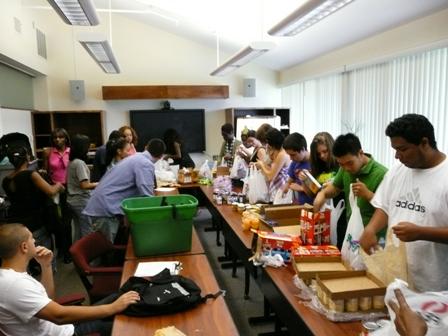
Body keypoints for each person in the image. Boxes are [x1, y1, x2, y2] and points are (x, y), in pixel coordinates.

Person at [0, 223, 140, 336]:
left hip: (62, 325)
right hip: (67, 331)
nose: (35, 240)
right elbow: (59, 316)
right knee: (129, 327)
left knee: (123, 296)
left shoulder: (13, 276)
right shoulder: (14, 284)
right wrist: (112, 308)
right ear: (24, 247)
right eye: (31, 238)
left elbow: (49, 300)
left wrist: (46, 265)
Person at [359, 114, 448, 292]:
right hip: (398, 277)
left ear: (424, 142)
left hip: (434, 285)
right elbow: (385, 206)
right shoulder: (398, 171)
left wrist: (421, 233)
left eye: (403, 149)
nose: (397, 156)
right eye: (395, 150)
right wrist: (370, 229)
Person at [83, 138, 166, 243]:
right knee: (106, 250)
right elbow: (147, 197)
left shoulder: (136, 158)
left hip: (103, 204)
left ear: (146, 147)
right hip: (106, 209)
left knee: (108, 248)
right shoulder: (145, 163)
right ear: (161, 156)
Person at [313, 133, 388, 237]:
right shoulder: (344, 169)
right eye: (341, 164)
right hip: (352, 233)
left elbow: (388, 209)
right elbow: (335, 187)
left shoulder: (382, 174)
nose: (346, 168)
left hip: (375, 237)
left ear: (360, 153)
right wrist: (322, 194)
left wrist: (368, 194)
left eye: (350, 163)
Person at [2, 147, 64, 255]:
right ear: (27, 157)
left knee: (25, 257)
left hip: (17, 223)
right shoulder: (31, 175)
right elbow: (50, 191)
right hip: (35, 223)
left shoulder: (6, 180)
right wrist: (59, 185)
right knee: (44, 256)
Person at [307, 132, 347, 247]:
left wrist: (334, 185)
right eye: (318, 154)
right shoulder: (318, 167)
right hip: (324, 212)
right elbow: (314, 193)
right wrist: (306, 181)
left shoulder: (341, 165)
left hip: (341, 212)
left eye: (325, 151)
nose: (322, 156)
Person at [42, 128, 72, 263]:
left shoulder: (71, 151)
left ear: (66, 138)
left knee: (67, 221)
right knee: (56, 221)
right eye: (55, 137)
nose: (58, 140)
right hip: (53, 188)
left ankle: (68, 251)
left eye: (61, 137)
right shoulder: (48, 152)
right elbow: (45, 171)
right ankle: (61, 248)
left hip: (68, 188)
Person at [67, 134, 98, 242]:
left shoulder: (72, 162)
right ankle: (89, 256)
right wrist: (100, 184)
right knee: (87, 230)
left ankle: (77, 254)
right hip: (81, 200)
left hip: (72, 200)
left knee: (78, 231)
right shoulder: (79, 163)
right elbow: (84, 185)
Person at [255, 128, 290, 202]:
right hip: (276, 190)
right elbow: (271, 170)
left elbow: (271, 176)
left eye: (268, 142)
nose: (267, 144)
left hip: (281, 190)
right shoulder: (277, 151)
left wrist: (261, 165)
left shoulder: (282, 154)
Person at [282, 132, 314, 205]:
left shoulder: (315, 163)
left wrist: (301, 188)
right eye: (289, 155)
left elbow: (319, 189)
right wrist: (286, 186)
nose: (290, 158)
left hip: (313, 206)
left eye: (293, 155)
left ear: (303, 149)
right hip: (300, 205)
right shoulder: (295, 162)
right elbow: (290, 180)